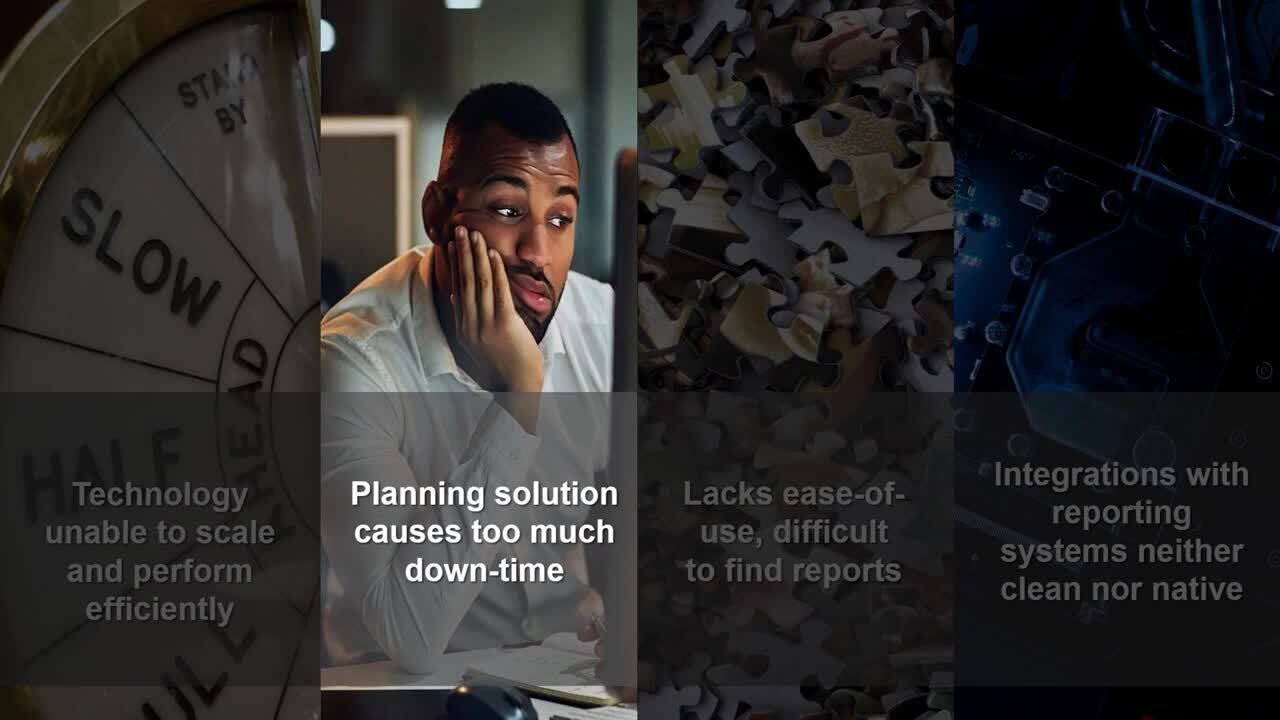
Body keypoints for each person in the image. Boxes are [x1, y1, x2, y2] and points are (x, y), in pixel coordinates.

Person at [320, 83, 613, 675]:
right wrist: (519, 395)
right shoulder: (350, 358)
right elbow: (411, 633)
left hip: (568, 685)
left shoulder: (604, 323)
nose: (539, 250)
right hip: (398, 693)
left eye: (561, 218)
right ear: (437, 215)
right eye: (508, 211)